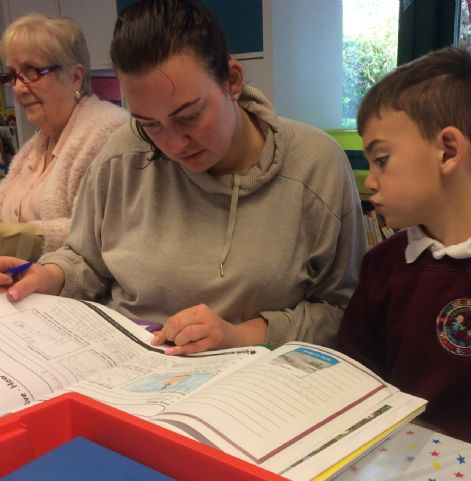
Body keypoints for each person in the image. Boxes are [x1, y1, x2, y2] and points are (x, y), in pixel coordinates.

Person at [0, 0, 367, 355]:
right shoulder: (123, 153)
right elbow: (86, 260)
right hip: (124, 362)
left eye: (189, 116)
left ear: (232, 80)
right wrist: (49, 276)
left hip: (252, 375)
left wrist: (240, 334)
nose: (174, 144)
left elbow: (342, 312)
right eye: (149, 125)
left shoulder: (314, 165)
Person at [338, 46, 471, 463]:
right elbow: (355, 379)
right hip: (387, 468)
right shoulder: (381, 265)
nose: (371, 181)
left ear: (449, 151)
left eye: (382, 160)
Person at [0, 13, 129, 261]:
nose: (17, 88)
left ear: (75, 76)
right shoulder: (35, 146)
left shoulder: (109, 132)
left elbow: (99, 232)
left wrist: (15, 240)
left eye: (32, 71)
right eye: (13, 75)